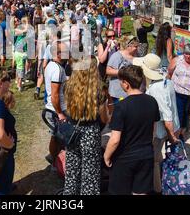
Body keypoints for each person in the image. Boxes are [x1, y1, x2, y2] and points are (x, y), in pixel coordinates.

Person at [104, 65, 160, 195]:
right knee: (141, 192)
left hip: (125, 158)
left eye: (121, 81)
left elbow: (115, 140)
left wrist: (106, 156)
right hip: (146, 154)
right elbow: (153, 129)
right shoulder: (152, 101)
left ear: (126, 84)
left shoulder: (121, 107)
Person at [134, 54, 180, 194]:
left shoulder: (157, 89)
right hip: (165, 130)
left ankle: (156, 188)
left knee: (153, 160)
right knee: (157, 158)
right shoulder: (166, 81)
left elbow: (167, 117)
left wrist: (172, 137)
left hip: (160, 132)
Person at [63, 57, 107, 195]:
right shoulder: (99, 89)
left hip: (72, 131)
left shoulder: (68, 85)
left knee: (72, 171)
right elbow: (104, 117)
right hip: (91, 132)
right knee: (91, 174)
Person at [168, 43, 190, 139]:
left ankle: (182, 132)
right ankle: (175, 134)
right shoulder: (177, 60)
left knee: (186, 113)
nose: (188, 56)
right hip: (177, 92)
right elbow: (169, 72)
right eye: (186, 53)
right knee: (178, 113)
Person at [43, 40, 69, 165]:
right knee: (58, 137)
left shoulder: (50, 65)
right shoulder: (57, 70)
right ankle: (55, 161)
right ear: (58, 54)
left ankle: (54, 158)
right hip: (55, 110)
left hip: (54, 108)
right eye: (65, 51)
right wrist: (60, 113)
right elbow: (54, 95)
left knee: (56, 136)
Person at [106, 35, 139, 104]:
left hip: (131, 94)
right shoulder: (117, 56)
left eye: (138, 46)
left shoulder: (137, 56)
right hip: (117, 94)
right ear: (128, 46)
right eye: (135, 46)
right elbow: (108, 71)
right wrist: (125, 72)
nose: (137, 48)